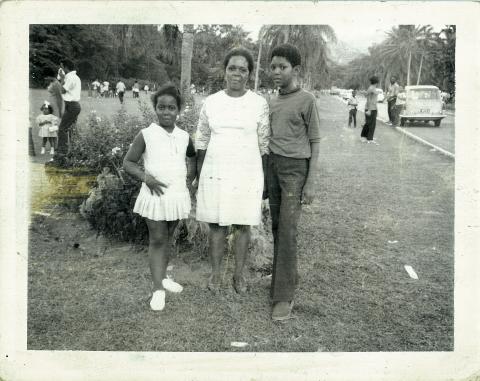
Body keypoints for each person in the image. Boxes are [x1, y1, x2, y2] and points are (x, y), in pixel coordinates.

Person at [195, 47, 270, 294]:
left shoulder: (258, 103)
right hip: (216, 170)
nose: (237, 73)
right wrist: (196, 173)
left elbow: (264, 143)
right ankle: (216, 275)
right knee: (217, 225)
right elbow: (202, 139)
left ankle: (239, 275)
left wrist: (266, 179)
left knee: (243, 225)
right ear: (225, 71)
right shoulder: (212, 102)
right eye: (232, 68)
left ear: (249, 74)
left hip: (247, 172)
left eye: (243, 69)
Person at [123, 84, 196, 311]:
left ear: (178, 111)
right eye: (162, 107)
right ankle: (157, 289)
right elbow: (128, 163)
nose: (166, 112)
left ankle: (163, 277)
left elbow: (193, 157)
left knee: (169, 237)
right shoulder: (146, 134)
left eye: (171, 108)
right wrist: (146, 178)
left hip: (176, 196)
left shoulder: (184, 136)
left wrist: (190, 179)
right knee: (157, 239)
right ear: (155, 108)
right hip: (154, 195)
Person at [267, 43, 321, 321]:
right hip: (273, 167)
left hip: (294, 171)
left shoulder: (307, 100)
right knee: (277, 227)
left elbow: (314, 141)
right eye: (273, 66)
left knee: (288, 230)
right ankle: (284, 279)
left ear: (295, 70)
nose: (276, 71)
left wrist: (310, 183)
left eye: (282, 67)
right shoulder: (271, 101)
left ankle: (283, 297)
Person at [56, 59, 81, 157]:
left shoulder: (71, 78)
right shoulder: (72, 77)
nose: (61, 69)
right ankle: (76, 150)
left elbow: (62, 90)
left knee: (62, 129)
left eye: (62, 67)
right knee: (72, 129)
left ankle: (61, 152)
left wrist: (62, 78)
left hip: (72, 106)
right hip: (72, 106)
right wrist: (61, 78)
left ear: (66, 67)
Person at [360, 75, 379, 144]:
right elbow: (369, 99)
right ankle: (366, 137)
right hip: (371, 108)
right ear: (376, 82)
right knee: (370, 124)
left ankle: (368, 137)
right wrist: (370, 109)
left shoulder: (372, 88)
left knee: (370, 123)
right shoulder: (372, 88)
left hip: (372, 108)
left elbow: (367, 96)